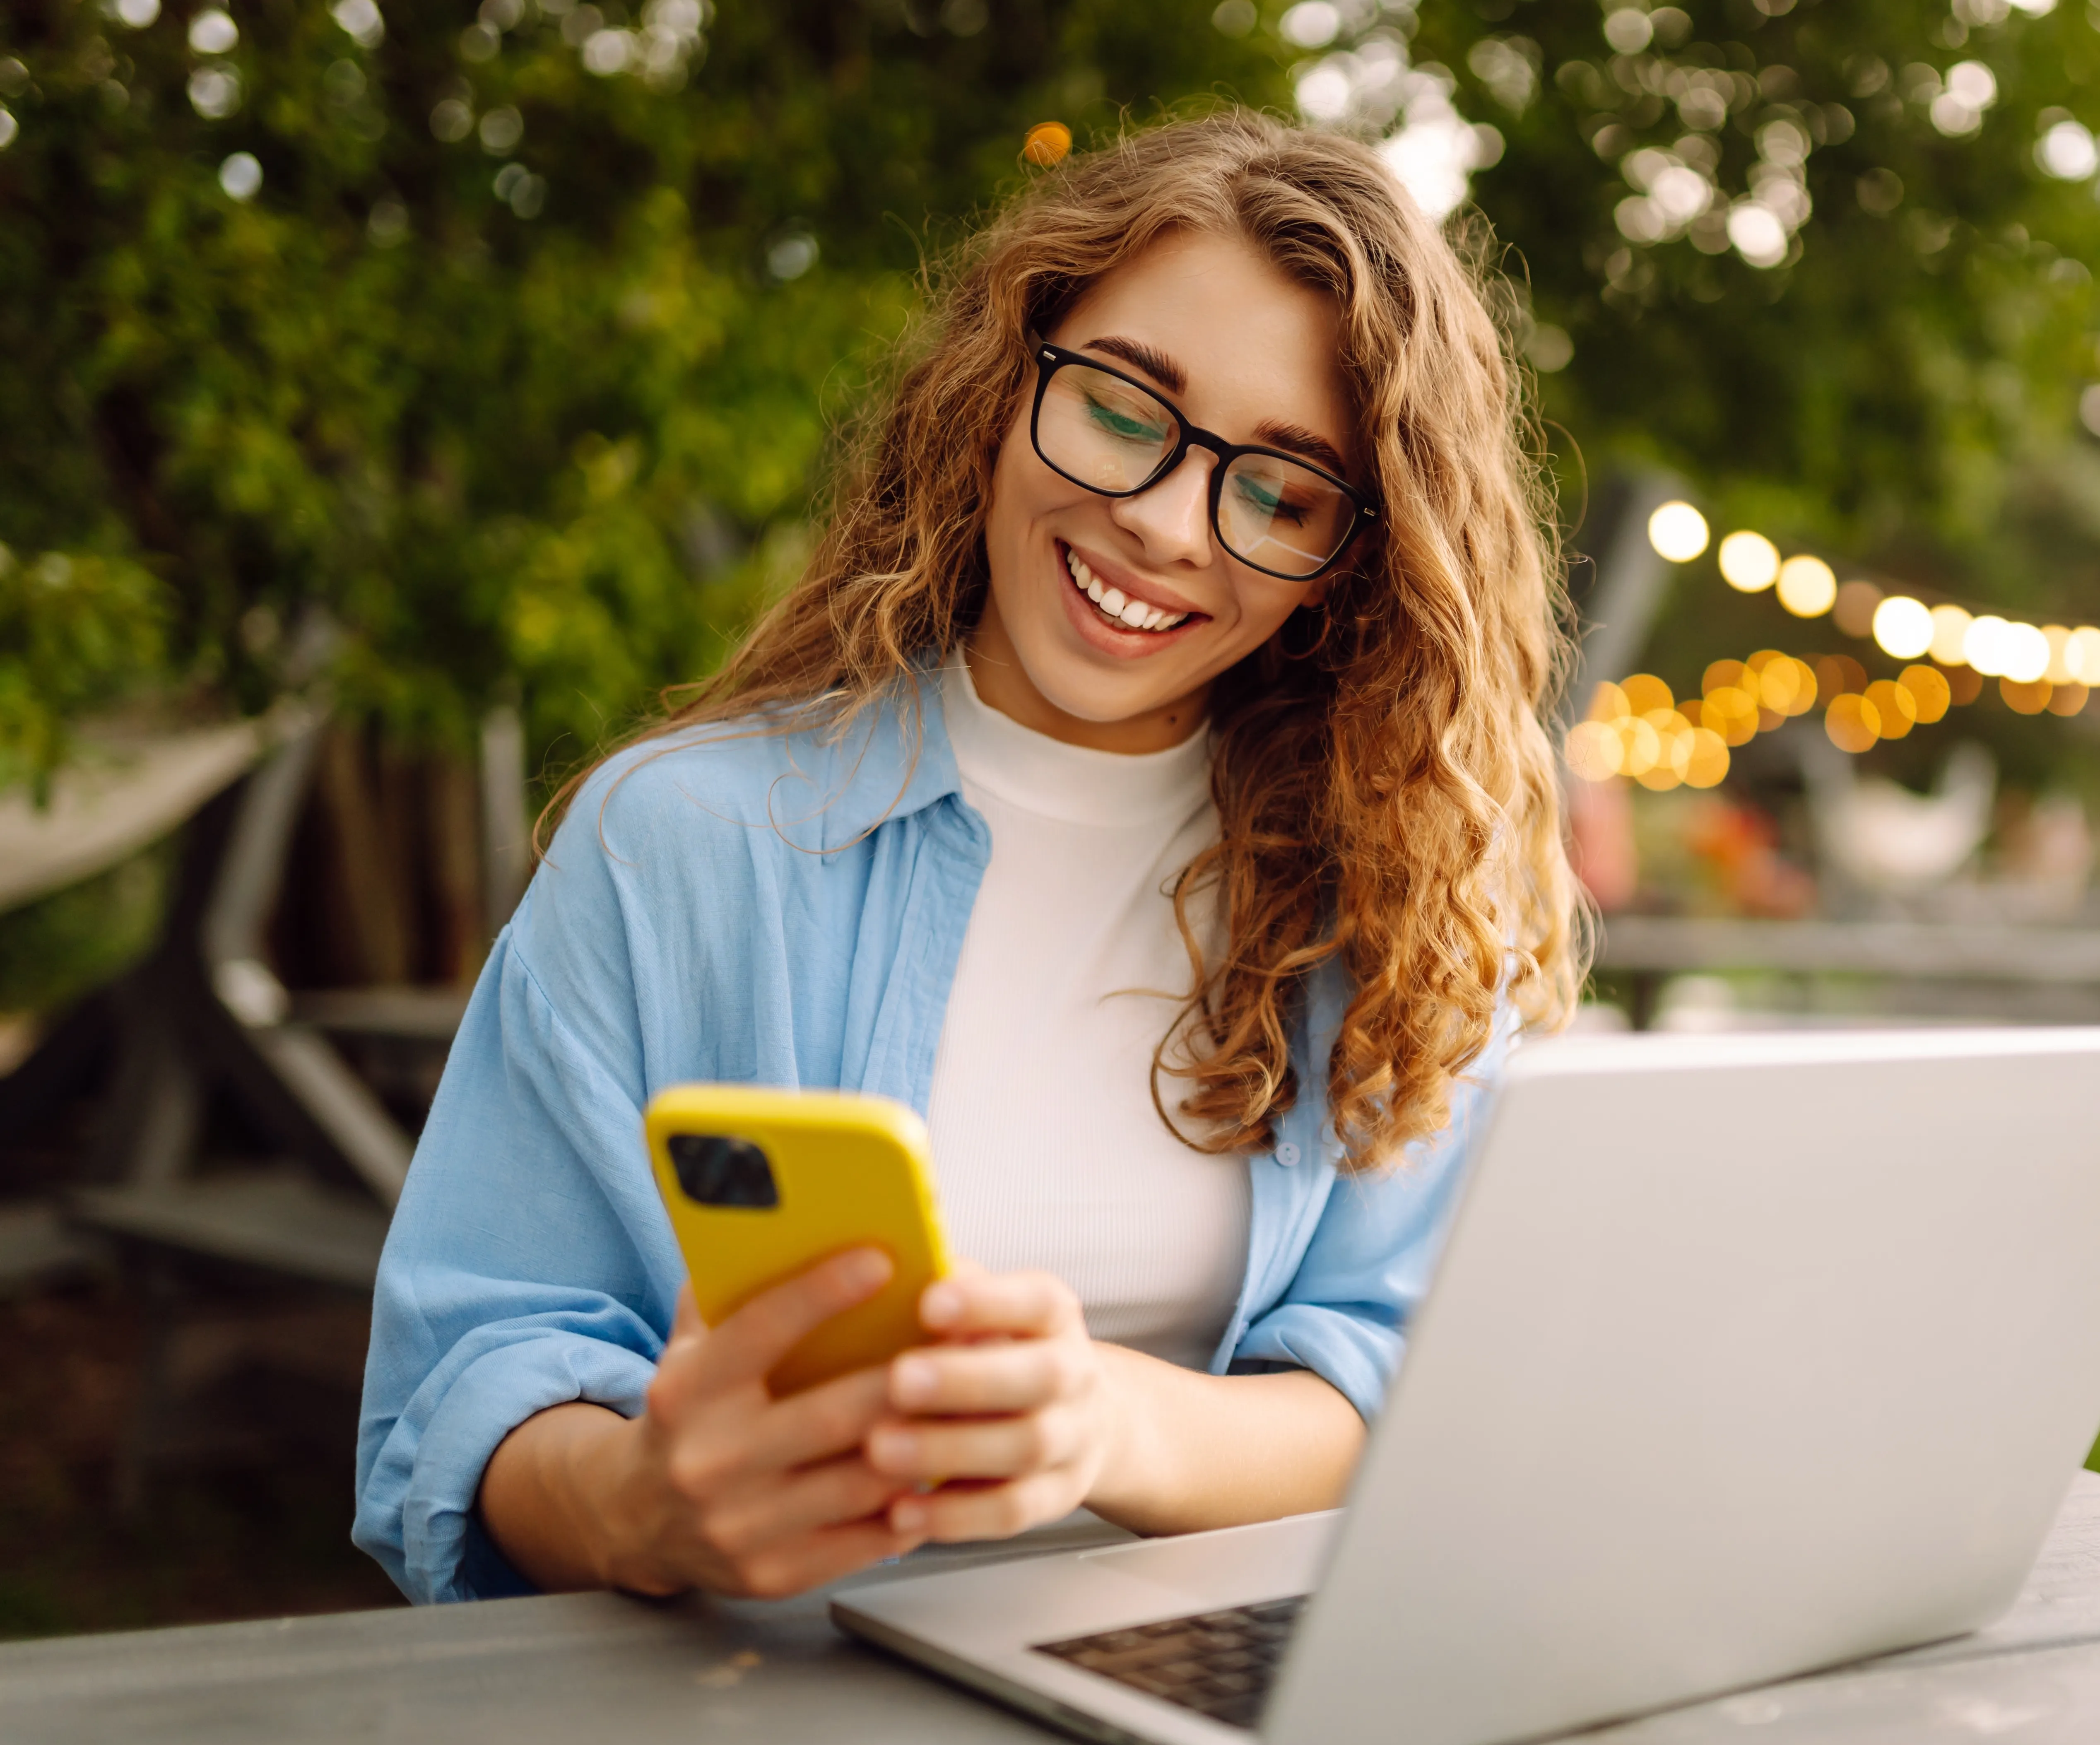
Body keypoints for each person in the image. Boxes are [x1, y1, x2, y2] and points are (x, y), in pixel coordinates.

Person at [353, 111, 1580, 1605]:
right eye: (1127, 409)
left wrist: (1110, 1417)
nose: (1163, 523)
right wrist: (635, 1509)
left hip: (1205, 1696)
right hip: (753, 1705)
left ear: (1352, 571)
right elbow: (467, 1375)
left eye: (1280, 492)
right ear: (1011, 383)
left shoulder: (1400, 908)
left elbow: (1413, 1384)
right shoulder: (680, 843)